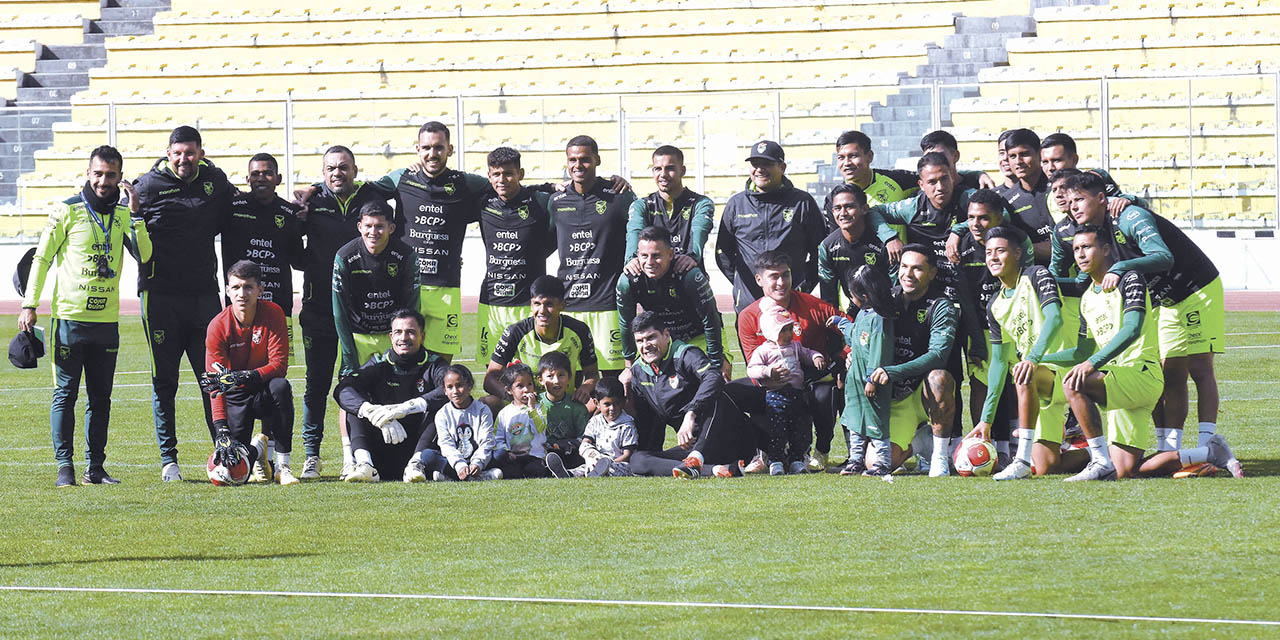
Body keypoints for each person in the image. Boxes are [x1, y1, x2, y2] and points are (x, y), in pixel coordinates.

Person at [1059, 172, 1229, 469]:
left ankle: (1208, 443)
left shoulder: (1129, 215)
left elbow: (1163, 257)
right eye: (1070, 201)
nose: (1074, 206)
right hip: (1164, 299)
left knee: (1200, 367)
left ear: (1102, 198)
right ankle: (1170, 448)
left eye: (1080, 199)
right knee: (1171, 371)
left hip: (1196, 288)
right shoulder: (1094, 232)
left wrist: (1122, 266)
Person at [1044, 226, 1241, 479]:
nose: (1080, 254)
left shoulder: (1129, 278)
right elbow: (1080, 351)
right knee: (1126, 470)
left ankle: (1099, 460)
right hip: (1116, 380)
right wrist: (1035, 358)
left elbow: (1133, 329)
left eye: (1087, 247)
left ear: (1105, 249)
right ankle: (1208, 452)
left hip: (1140, 373)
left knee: (1075, 383)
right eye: (1076, 249)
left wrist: (1090, 365)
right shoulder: (1086, 300)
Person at [18, 145, 151, 487]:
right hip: (69, 320)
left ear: (120, 178)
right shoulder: (67, 211)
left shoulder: (123, 215)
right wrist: (29, 304)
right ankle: (65, 467)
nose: (103, 181)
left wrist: (136, 215)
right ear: (88, 173)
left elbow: (145, 256)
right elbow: (42, 259)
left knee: (101, 398)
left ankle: (96, 468)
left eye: (110, 175)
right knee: (65, 394)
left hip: (107, 322)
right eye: (98, 174)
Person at [133, 125, 236, 482]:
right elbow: (124, 225)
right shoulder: (146, 186)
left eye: (190, 153)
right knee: (165, 381)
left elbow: (244, 207)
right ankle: (169, 460)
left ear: (201, 154)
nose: (184, 159)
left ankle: (225, 451)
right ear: (168, 152)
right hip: (159, 298)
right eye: (177, 153)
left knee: (213, 379)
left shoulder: (215, 181)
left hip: (203, 298)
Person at [295, 145, 398, 479]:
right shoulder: (311, 203)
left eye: (343, 168)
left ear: (355, 171)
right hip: (320, 310)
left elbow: (402, 182)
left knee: (361, 384)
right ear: (322, 173)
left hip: (365, 316)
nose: (337, 173)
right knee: (317, 384)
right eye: (330, 169)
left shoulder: (371, 194)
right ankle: (312, 455)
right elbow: (294, 251)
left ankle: (357, 456)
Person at [968, 226, 1080, 480]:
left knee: (1022, 373)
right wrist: (986, 420)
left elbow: (1054, 319)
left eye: (1000, 251)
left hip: (1064, 371)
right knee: (1047, 466)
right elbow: (997, 363)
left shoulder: (1037, 275)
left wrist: (1033, 358)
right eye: (988, 252)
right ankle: (1099, 453)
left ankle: (1020, 459)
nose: (993, 257)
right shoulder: (995, 304)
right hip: (1035, 381)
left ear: (1017, 253)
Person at [377, 122, 489, 361]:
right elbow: (360, 191)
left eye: (439, 147)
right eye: (426, 147)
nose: (432, 154)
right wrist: (315, 190)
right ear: (417, 149)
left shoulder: (466, 183)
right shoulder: (401, 178)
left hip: (445, 287)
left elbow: (508, 188)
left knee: (442, 363)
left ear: (450, 149)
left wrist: (550, 188)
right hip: (406, 285)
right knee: (402, 358)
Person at [737, 251, 846, 472]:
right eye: (774, 277)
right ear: (759, 280)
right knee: (731, 392)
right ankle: (754, 452)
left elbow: (851, 326)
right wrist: (770, 376)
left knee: (825, 395)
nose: (781, 282)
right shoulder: (748, 316)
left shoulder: (813, 306)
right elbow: (752, 364)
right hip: (770, 384)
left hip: (810, 381)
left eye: (785, 275)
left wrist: (846, 355)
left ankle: (821, 451)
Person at [197, 260, 297, 485]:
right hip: (235, 396)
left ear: (260, 290)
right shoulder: (217, 326)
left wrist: (246, 375)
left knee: (281, 387)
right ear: (227, 290)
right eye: (236, 287)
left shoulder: (274, 313)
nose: (242, 293)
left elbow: (279, 366)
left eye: (248, 287)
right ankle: (257, 450)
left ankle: (282, 466)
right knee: (233, 471)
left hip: (263, 389)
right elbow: (215, 386)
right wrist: (221, 428)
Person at [627, 311, 758, 479]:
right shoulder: (639, 372)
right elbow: (648, 421)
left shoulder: (685, 354)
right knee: (638, 460)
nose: (646, 345)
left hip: (730, 438)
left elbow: (713, 376)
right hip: (695, 448)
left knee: (719, 391)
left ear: (666, 335)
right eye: (640, 341)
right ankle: (716, 470)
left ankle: (697, 459)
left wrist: (691, 413)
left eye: (651, 337)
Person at [332, 308, 451, 483]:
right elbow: (342, 390)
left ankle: (416, 464)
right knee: (354, 407)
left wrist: (405, 408)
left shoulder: (434, 364)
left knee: (442, 408)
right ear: (391, 337)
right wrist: (373, 413)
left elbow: (451, 390)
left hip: (419, 449)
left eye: (411, 332)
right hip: (382, 444)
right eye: (398, 332)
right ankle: (365, 465)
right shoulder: (378, 363)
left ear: (422, 336)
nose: (403, 338)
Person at [550, 135, 637, 374]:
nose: (578, 165)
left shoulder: (619, 196)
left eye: (585, 159)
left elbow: (640, 232)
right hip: (569, 306)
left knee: (615, 382)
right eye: (572, 160)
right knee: (571, 381)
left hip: (608, 306)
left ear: (597, 160)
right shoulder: (556, 201)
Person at [716, 139, 826, 314]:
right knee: (752, 342)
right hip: (749, 301)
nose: (759, 169)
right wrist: (742, 284)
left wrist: (803, 286)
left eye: (767, 163)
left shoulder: (802, 202)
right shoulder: (736, 204)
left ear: (782, 167)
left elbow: (820, 251)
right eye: (755, 164)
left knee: (793, 342)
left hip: (791, 298)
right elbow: (723, 252)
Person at [876, 245, 958, 476]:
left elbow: (937, 356)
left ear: (932, 273)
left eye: (917, 269)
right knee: (878, 464)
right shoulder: (886, 299)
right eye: (904, 267)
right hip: (896, 397)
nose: (908, 274)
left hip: (924, 393)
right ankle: (922, 442)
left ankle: (940, 457)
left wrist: (894, 371)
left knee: (939, 378)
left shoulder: (941, 306)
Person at [475, 147, 555, 363]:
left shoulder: (541, 201)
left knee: (536, 369)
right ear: (489, 176)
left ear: (520, 174)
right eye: (496, 174)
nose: (503, 180)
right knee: (493, 371)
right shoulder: (482, 203)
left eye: (509, 173)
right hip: (492, 302)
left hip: (528, 303)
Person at [616, 226, 726, 382]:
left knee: (712, 385)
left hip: (699, 335)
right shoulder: (628, 281)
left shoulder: (689, 275)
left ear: (670, 254)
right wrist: (629, 366)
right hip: (664, 340)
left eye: (656, 256)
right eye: (644, 256)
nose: (649, 262)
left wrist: (716, 363)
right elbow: (626, 324)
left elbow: (711, 320)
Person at [484, 275, 599, 407]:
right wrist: (514, 397)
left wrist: (586, 387)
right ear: (531, 305)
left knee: (601, 403)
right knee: (489, 402)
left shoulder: (579, 330)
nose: (542, 311)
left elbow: (593, 374)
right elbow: (490, 379)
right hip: (528, 404)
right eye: (537, 304)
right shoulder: (515, 332)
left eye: (549, 304)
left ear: (562, 305)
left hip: (566, 404)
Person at [830, 265, 898, 476]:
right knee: (855, 420)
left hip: (870, 382)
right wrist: (842, 324)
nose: (851, 299)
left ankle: (882, 463)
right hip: (855, 381)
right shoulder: (862, 315)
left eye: (852, 295)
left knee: (876, 422)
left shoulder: (880, 320)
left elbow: (879, 350)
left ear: (865, 296)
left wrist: (872, 379)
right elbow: (856, 338)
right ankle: (855, 460)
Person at [747, 306, 828, 475]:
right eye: (784, 330)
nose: (789, 333)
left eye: (791, 329)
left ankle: (796, 460)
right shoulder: (763, 351)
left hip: (797, 395)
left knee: (800, 429)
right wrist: (769, 372)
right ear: (772, 332)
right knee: (777, 431)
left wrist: (816, 357)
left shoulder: (796, 347)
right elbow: (752, 369)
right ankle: (776, 461)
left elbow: (807, 353)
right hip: (776, 396)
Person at [624, 145, 714, 266]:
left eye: (670, 168)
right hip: (653, 274)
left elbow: (699, 232)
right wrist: (632, 260)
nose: (663, 174)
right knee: (628, 276)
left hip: (686, 271)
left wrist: (692, 256)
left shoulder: (701, 203)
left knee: (692, 273)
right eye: (658, 169)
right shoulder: (642, 205)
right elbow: (634, 234)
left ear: (682, 171)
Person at [816, 183, 890, 313]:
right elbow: (828, 297)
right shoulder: (828, 246)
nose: (843, 213)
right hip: (853, 312)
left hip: (887, 311)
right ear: (833, 212)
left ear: (864, 209)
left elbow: (897, 287)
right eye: (837, 208)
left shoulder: (884, 242)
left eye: (849, 207)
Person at [547, 378, 637, 478]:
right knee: (583, 465)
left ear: (623, 402)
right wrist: (591, 456)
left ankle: (598, 472)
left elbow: (627, 455)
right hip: (595, 459)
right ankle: (568, 474)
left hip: (617, 463)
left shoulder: (627, 425)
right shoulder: (595, 421)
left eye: (616, 404)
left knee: (614, 470)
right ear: (596, 403)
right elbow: (586, 441)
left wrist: (608, 463)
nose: (612, 408)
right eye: (607, 404)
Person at [994, 128, 1056, 264]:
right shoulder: (1007, 201)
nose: (1018, 161)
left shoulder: (1058, 187)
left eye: (1024, 154)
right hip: (1033, 275)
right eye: (1013, 156)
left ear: (1039, 154)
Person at [434, 364, 501, 481]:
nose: (455, 391)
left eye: (459, 385)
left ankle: (456, 476)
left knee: (501, 454)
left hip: (479, 459)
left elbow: (487, 440)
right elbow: (446, 444)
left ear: (470, 385)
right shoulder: (442, 414)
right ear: (444, 390)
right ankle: (477, 476)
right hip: (455, 461)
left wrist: (478, 463)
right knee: (428, 456)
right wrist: (459, 465)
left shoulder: (482, 410)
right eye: (449, 387)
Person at [491, 363, 551, 479]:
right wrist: (506, 451)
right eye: (520, 386)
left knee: (534, 471)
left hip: (535, 455)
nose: (526, 389)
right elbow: (497, 437)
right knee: (511, 473)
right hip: (513, 456)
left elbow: (540, 428)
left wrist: (532, 409)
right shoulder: (504, 413)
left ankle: (547, 466)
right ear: (509, 390)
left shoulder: (539, 408)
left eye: (529, 384)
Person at [535, 351, 591, 470]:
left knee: (579, 458)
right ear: (540, 380)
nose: (556, 381)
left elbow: (585, 437)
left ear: (569, 377)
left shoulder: (577, 407)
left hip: (569, 452)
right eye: (550, 376)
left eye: (561, 375)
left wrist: (567, 444)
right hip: (541, 452)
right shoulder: (535, 403)